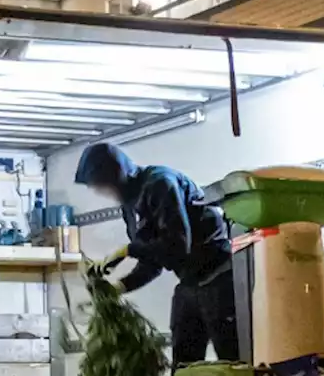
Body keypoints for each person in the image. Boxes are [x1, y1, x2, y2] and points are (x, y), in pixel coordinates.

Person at [75, 143, 239, 364]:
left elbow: (178, 247)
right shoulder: (129, 206)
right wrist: (117, 288)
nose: (101, 192)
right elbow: (152, 264)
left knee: (233, 363)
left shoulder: (161, 183)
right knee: (184, 367)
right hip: (189, 282)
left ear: (116, 174)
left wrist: (127, 250)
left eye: (101, 185)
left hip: (218, 277)